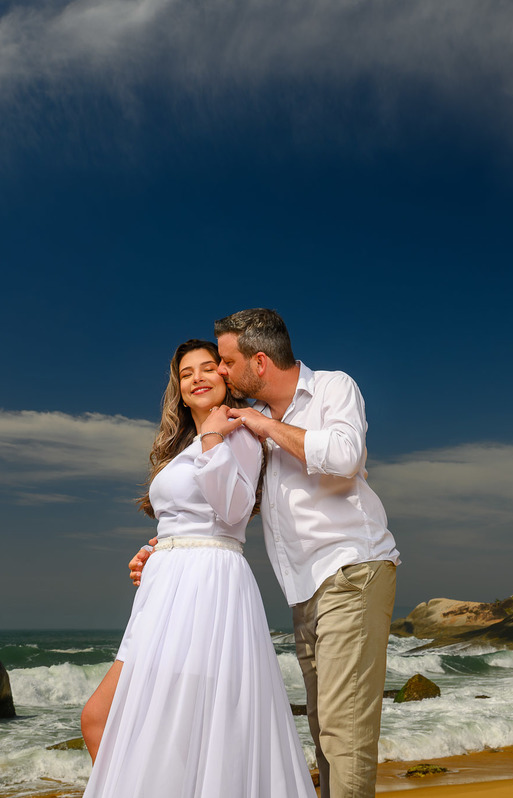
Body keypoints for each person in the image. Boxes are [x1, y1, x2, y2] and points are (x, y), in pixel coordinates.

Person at [131, 309, 400, 798]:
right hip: (303, 588)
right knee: (324, 729)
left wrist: (265, 426)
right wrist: (164, 550)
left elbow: (346, 457)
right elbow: (222, 511)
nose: (221, 372)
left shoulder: (331, 388)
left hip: (353, 569)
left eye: (226, 362)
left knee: (344, 733)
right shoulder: (249, 423)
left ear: (259, 362)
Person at [81, 338, 315, 798]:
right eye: (186, 374)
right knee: (101, 719)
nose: (197, 378)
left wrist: (212, 436)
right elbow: (180, 520)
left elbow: (232, 510)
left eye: (208, 368)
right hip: (165, 589)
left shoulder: (238, 433)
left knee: (179, 729)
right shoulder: (184, 446)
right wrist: (153, 551)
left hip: (206, 588)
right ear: (180, 390)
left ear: (226, 378)